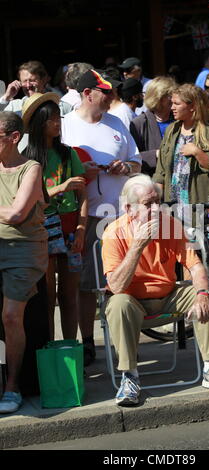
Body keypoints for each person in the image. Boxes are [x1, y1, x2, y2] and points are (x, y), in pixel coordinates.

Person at [101, 174, 209, 406]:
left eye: (158, 202)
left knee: (208, 292)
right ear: (129, 208)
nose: (157, 209)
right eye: (148, 204)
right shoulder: (114, 233)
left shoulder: (170, 225)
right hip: (132, 301)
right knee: (117, 304)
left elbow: (195, 266)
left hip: (168, 296)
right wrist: (136, 247)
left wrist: (203, 294)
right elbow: (115, 286)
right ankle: (130, 376)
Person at [61, 69, 141, 366]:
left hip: (121, 216)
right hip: (87, 216)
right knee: (85, 284)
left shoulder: (117, 121)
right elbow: (55, 170)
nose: (111, 97)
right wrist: (82, 173)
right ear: (87, 93)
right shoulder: (67, 126)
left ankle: (123, 338)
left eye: (111, 92)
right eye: (105, 92)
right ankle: (88, 342)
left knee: (121, 282)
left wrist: (126, 167)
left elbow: (137, 162)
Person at [22, 92, 88, 341]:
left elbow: (83, 197)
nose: (58, 123)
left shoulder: (68, 154)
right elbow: (29, 200)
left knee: (70, 295)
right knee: (47, 296)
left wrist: (81, 229)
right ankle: (51, 351)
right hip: (42, 227)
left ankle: (72, 349)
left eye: (58, 118)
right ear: (39, 123)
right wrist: (60, 187)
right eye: (51, 119)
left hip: (71, 225)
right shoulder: (27, 159)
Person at [0, 111, 48, 414]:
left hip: (23, 249)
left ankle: (13, 386)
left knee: (10, 316)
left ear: (14, 137)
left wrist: (9, 212)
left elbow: (17, 215)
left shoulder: (31, 168)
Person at [153, 83, 209, 208]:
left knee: (198, 228)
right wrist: (155, 200)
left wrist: (197, 152)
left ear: (193, 106)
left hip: (198, 205)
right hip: (172, 204)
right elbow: (160, 171)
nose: (172, 107)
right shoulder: (171, 130)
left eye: (177, 104)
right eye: (172, 103)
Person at [0, 61, 72, 151]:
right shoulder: (14, 106)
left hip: (55, 158)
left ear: (44, 80)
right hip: (25, 160)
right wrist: (6, 98)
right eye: (24, 81)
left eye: (32, 80)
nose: (28, 85)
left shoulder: (62, 106)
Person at [129, 76, 176, 175]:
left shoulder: (179, 120)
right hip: (152, 181)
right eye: (170, 96)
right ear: (159, 97)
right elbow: (131, 158)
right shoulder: (138, 123)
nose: (173, 99)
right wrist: (155, 154)